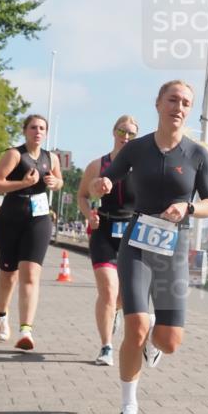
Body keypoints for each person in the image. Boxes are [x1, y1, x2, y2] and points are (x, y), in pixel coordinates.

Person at [90, 80, 208, 414]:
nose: (179, 106)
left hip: (174, 249)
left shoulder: (196, 154)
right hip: (138, 244)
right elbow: (104, 181)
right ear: (158, 104)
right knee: (136, 325)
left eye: (186, 102)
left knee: (169, 341)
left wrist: (188, 207)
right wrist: (99, 186)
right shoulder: (137, 149)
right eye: (173, 100)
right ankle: (128, 407)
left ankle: (152, 346)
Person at [0, 115, 62, 350]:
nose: (37, 131)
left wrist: (54, 183)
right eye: (33, 127)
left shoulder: (52, 157)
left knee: (30, 274)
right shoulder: (15, 155)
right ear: (25, 131)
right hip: (11, 219)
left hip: (39, 219)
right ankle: (1, 314)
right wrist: (22, 184)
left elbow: (60, 182)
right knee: (9, 275)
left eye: (42, 128)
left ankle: (25, 330)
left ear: (46, 133)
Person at [77, 114, 139, 366]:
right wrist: (88, 214)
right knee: (108, 289)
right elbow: (82, 195)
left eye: (131, 133)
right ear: (113, 132)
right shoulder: (98, 165)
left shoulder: (142, 167)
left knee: (122, 296)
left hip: (132, 233)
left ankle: (114, 312)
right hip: (103, 230)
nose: (125, 137)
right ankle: (106, 347)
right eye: (122, 131)